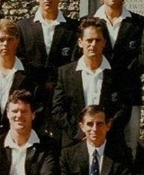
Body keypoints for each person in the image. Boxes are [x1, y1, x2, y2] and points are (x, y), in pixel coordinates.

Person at [52, 18, 132, 148]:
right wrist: (80, 132)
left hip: (110, 143)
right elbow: (58, 110)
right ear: (80, 42)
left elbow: (124, 108)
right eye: (89, 40)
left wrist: (102, 132)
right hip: (75, 143)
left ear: (104, 43)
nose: (93, 45)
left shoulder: (119, 73)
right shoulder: (65, 73)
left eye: (97, 40)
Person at [16, 0, 78, 139]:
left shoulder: (73, 28)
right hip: (31, 96)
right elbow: (19, 60)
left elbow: (74, 61)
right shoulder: (22, 28)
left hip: (62, 97)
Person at [92, 0, 144, 152]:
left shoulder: (139, 24)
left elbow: (143, 57)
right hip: (97, 93)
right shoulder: (89, 23)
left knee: (129, 147)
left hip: (129, 94)